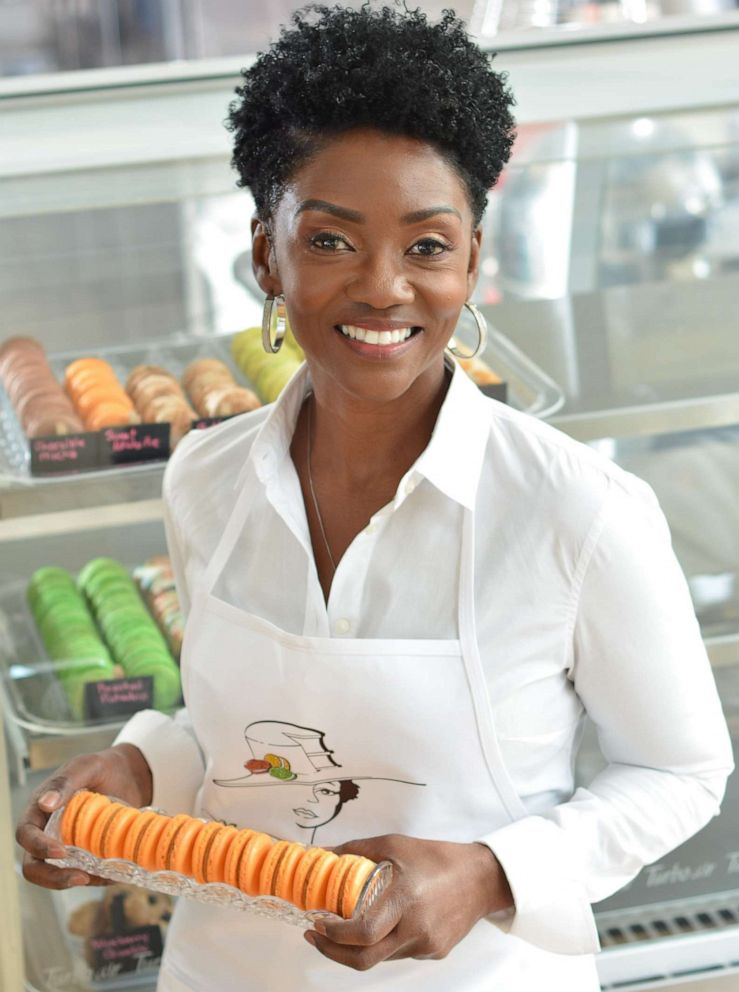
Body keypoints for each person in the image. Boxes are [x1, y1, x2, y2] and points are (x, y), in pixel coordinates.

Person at [16, 4, 733, 990]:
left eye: (428, 246)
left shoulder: (577, 511)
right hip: (226, 971)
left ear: (474, 261)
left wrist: (487, 875)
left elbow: (681, 772)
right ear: (267, 256)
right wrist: (142, 768)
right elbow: (240, 735)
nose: (384, 288)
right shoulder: (206, 478)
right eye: (331, 241)